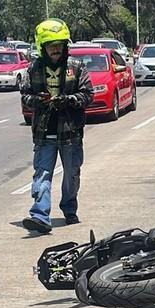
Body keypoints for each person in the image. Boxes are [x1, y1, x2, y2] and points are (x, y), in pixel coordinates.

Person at [20, 19, 94, 234]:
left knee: (72, 174)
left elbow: (88, 95)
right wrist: (37, 100)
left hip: (70, 134)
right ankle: (40, 216)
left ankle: (69, 209)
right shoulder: (33, 69)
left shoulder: (76, 67)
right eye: (51, 46)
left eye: (59, 45)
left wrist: (69, 100)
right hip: (44, 134)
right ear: (42, 47)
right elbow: (25, 95)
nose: (56, 49)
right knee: (42, 174)